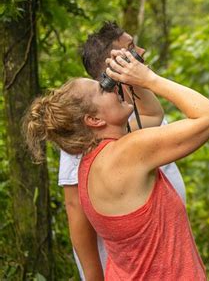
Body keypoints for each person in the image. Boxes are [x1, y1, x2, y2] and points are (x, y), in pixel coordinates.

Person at [24, 49, 209, 279]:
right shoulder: (129, 153)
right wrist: (150, 79)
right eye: (103, 89)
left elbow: (151, 114)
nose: (111, 87)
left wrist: (133, 79)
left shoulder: (89, 166)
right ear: (95, 120)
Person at [59, 22, 187, 279]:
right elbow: (75, 208)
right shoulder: (87, 129)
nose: (142, 52)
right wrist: (94, 276)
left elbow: (153, 115)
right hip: (125, 266)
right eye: (130, 49)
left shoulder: (134, 109)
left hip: (166, 257)